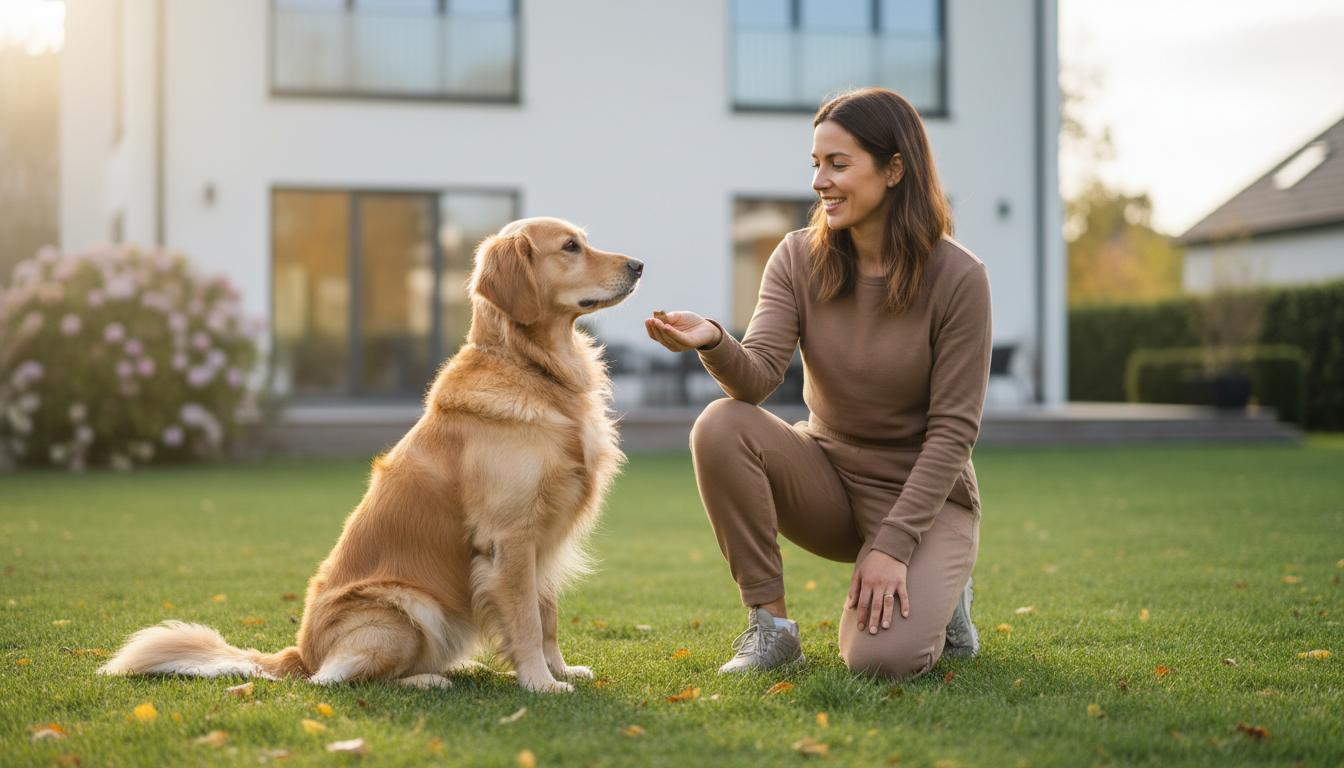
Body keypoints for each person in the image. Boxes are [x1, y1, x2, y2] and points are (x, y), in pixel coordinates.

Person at [643, 87, 990, 680]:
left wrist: (893, 545)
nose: (818, 182)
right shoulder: (797, 258)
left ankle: (948, 592)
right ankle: (771, 629)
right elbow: (754, 381)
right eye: (815, 164)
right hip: (828, 479)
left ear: (895, 170)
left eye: (838, 164)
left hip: (924, 500)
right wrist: (712, 340)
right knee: (721, 424)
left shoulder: (959, 277)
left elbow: (953, 433)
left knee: (880, 661)